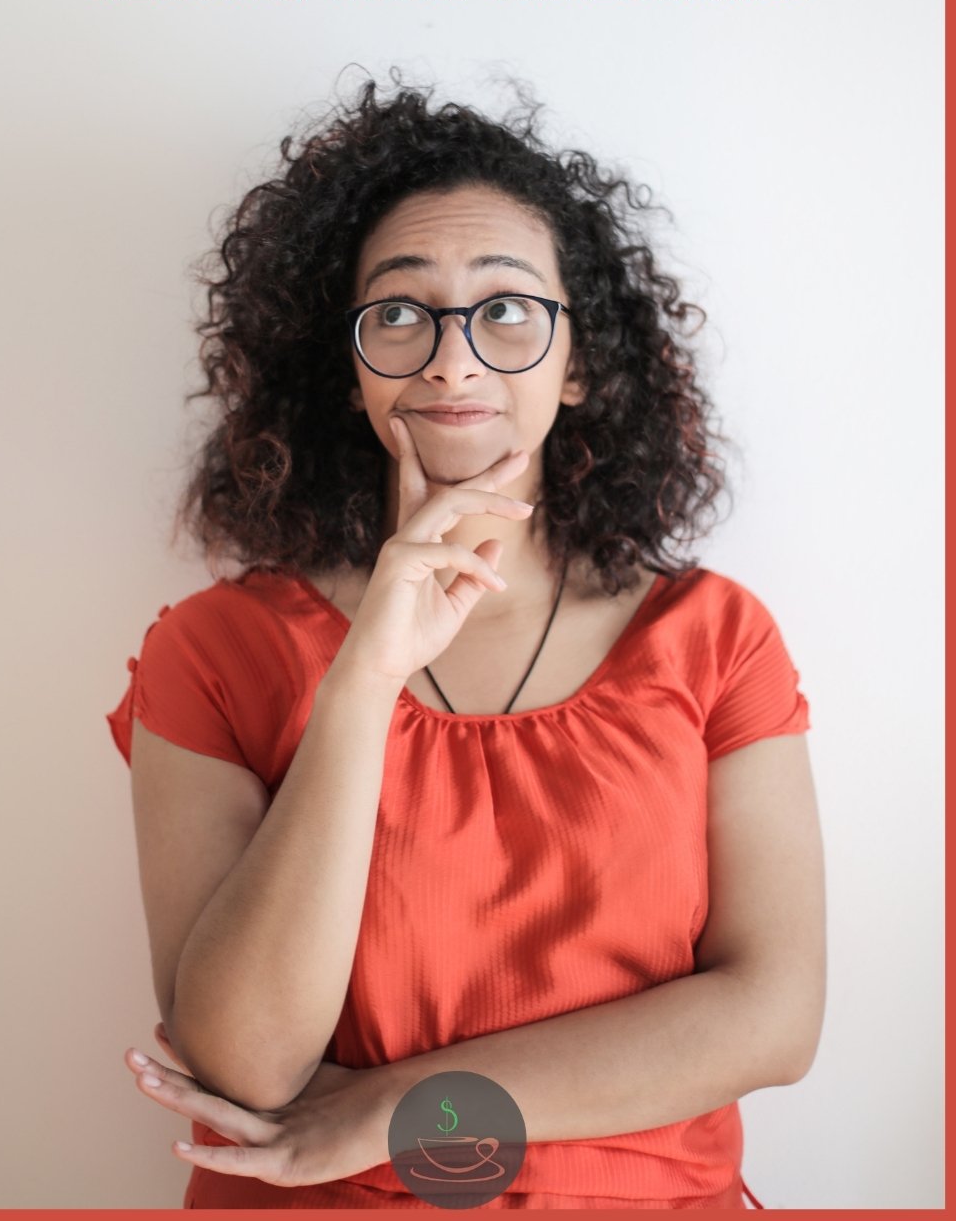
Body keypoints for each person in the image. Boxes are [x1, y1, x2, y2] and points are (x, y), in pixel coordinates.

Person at [105, 79, 826, 1210]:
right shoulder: (214, 652)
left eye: (504, 310)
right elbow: (243, 1064)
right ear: (348, 371)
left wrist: (397, 1111)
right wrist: (366, 679)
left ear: (577, 365)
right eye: (398, 313)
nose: (450, 360)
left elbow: (773, 1019)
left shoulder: (712, 639)